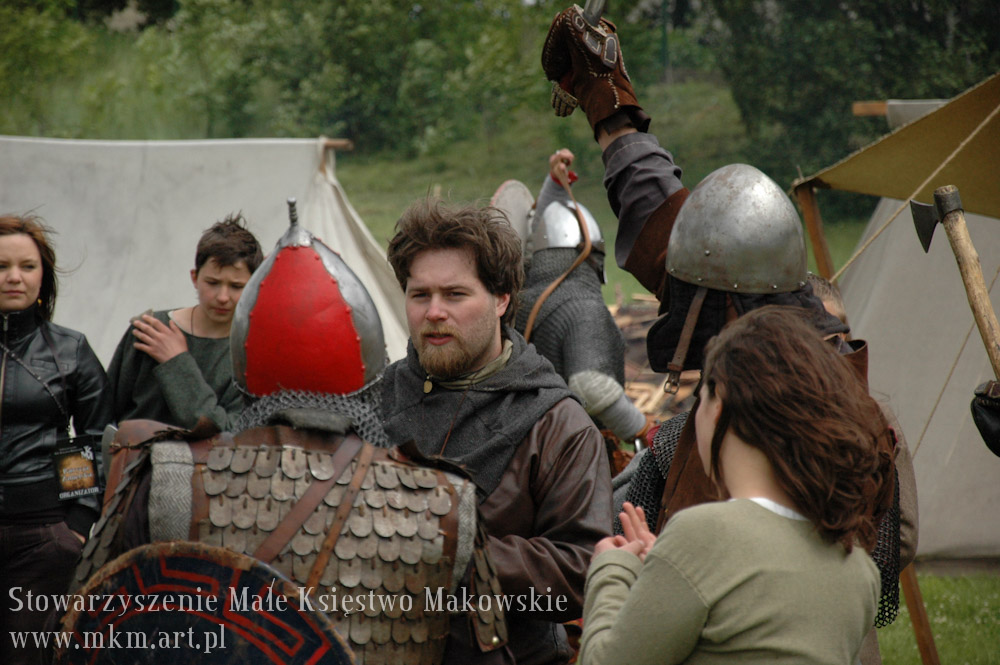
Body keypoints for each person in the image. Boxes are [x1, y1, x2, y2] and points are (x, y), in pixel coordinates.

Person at [542, 8, 917, 664]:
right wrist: (612, 112)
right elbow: (673, 229)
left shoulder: (820, 409)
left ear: (721, 298)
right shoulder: (797, 345)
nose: (675, 293)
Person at [70, 209, 507, 665]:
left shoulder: (165, 478)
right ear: (370, 363)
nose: (222, 295)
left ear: (245, 356)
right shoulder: (447, 501)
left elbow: (88, 632)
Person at [580, 307, 892, 665]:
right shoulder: (858, 569)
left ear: (719, 405)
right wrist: (668, 573)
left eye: (701, 398)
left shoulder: (704, 535)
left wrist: (612, 569)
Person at [381, 199, 613, 665]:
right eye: (420, 295)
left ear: (502, 299)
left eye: (455, 295)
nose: (434, 312)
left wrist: (455, 552)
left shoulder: (556, 425)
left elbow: (582, 571)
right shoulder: (380, 396)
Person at [0, 214, 113, 665]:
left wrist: (77, 525)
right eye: (2, 266)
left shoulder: (70, 349)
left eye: (27, 266)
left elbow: (93, 437)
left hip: (43, 537)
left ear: (43, 277)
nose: (13, 277)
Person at [513, 149, 651, 445]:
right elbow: (591, 386)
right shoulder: (583, 309)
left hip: (525, 447)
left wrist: (554, 184)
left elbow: (541, 228)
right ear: (592, 254)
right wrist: (643, 430)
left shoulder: (518, 303)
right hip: (573, 453)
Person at [106, 214, 262, 433]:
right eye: (213, 282)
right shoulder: (150, 331)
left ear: (254, 286)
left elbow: (229, 433)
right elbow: (104, 416)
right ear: (194, 278)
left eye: (236, 286)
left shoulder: (251, 354)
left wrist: (177, 363)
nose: (223, 297)